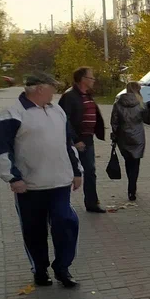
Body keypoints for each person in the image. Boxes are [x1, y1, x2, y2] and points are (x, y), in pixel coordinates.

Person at [0, 72, 83, 288]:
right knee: (34, 230)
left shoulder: (56, 110)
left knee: (66, 222)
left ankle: (62, 268)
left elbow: (68, 143)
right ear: (39, 89)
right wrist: (13, 178)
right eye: (52, 87)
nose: (54, 92)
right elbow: (1, 150)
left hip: (59, 182)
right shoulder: (12, 113)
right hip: (30, 186)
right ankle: (40, 270)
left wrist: (77, 171)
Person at [59, 66, 105, 213]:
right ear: (83, 79)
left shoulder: (87, 94)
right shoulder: (70, 96)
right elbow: (64, 120)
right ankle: (60, 205)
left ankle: (92, 203)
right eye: (91, 77)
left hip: (88, 139)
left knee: (90, 171)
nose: (94, 80)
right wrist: (75, 139)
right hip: (76, 141)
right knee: (68, 171)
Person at [110, 82, 148, 201]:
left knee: (128, 161)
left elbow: (114, 121)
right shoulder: (141, 104)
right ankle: (132, 188)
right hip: (138, 136)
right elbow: (147, 119)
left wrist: (115, 133)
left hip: (123, 136)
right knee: (136, 163)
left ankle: (130, 187)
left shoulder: (118, 103)